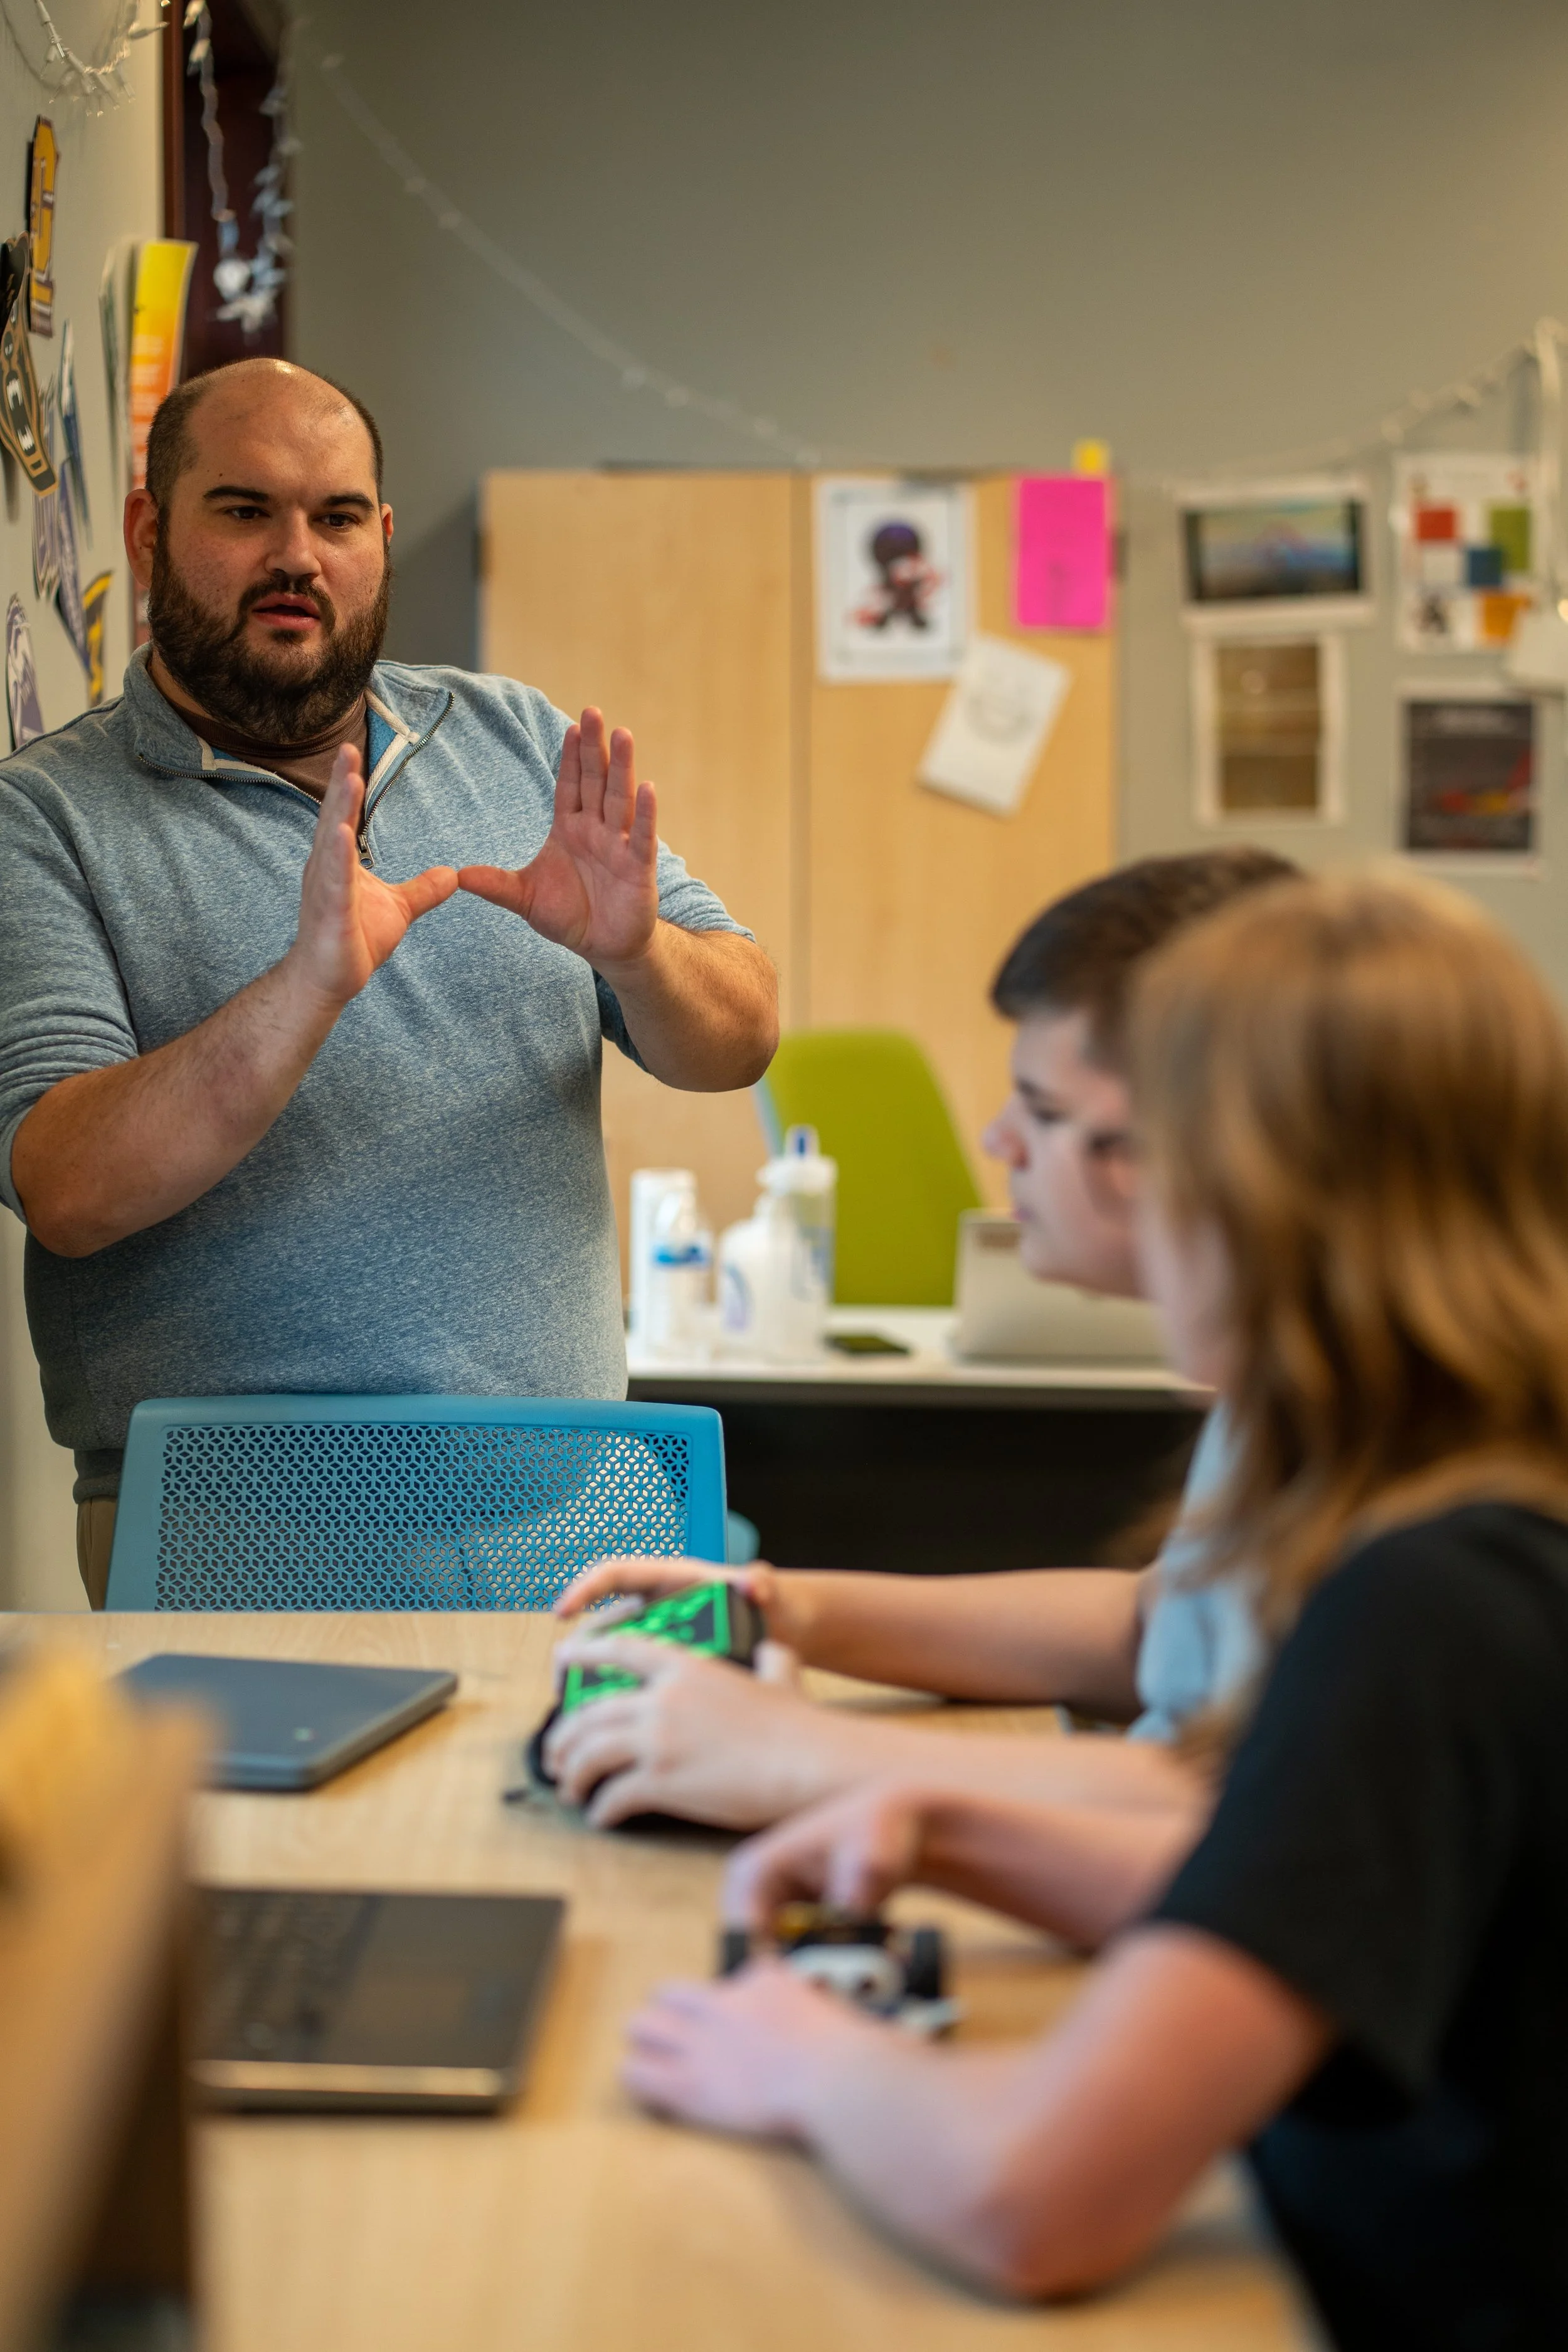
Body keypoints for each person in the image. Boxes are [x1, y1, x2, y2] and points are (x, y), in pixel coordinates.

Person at [624, 872, 1568, 2350]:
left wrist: (796, 2055)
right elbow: (1313, 1883)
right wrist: (954, 1832)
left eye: (1129, 1143)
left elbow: (1027, 2196)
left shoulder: (1435, 1604)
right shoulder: (1479, 1499)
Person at [0, 359, 777, 1602]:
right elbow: (70, 1191)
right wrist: (304, 988)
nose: (296, 553)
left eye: (338, 515)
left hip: (574, 1520)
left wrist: (635, 950)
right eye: (244, 510)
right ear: (152, 532)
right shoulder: (42, 819)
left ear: (382, 538)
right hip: (232, 1543)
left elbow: (737, 1039)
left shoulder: (517, 739)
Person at [543, 850, 1293, 1846]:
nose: (998, 1139)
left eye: (1049, 1110)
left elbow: (1246, 1809)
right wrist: (782, 1608)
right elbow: (1159, 1631)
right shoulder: (1289, 1395)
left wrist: (800, 1752)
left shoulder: (1413, 1476)